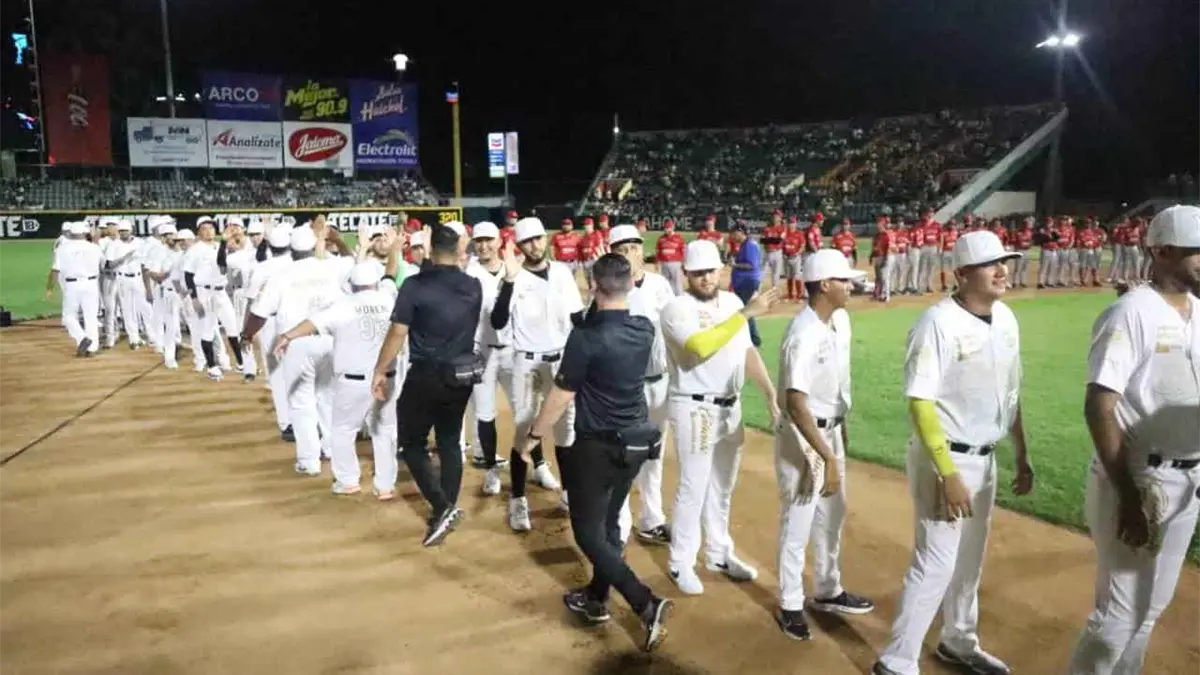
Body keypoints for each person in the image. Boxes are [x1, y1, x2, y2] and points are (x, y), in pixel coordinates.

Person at [873, 230, 1035, 675]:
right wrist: (947, 472)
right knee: (936, 561)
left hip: (987, 457)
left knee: (969, 560)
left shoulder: (1006, 319)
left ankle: (958, 641)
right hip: (945, 458)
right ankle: (896, 662)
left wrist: (1021, 452)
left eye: (1004, 262)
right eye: (991, 264)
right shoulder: (937, 324)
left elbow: (1011, 393)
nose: (1002, 270)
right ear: (962, 274)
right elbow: (921, 402)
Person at [1067, 204, 1200, 675]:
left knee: (1151, 608)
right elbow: (1099, 406)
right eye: (1197, 251)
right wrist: (1127, 496)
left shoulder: (1198, 311)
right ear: (1162, 252)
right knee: (1118, 618)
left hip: (1188, 480)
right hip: (1140, 479)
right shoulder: (1129, 314)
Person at [519, 252, 673, 652]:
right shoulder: (643, 329)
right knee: (608, 524)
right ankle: (595, 597)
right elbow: (605, 317)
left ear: (592, 286)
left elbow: (561, 395)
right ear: (630, 284)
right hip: (637, 442)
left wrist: (534, 435)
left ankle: (644, 602)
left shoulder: (585, 338)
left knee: (588, 534)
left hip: (599, 446)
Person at [660, 240, 780, 595]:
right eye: (698, 273)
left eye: (711, 271)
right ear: (686, 274)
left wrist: (770, 393)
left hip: (731, 405)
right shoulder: (675, 309)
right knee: (693, 485)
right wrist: (746, 314)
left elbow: (746, 351)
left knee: (723, 486)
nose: (706, 278)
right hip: (694, 406)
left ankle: (718, 553)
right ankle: (680, 562)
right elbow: (700, 346)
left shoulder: (731, 302)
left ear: (721, 270)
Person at [774, 250, 875, 641]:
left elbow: (833, 382)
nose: (851, 286)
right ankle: (790, 604)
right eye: (844, 280)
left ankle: (828, 589)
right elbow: (795, 402)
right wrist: (826, 456)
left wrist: (840, 423)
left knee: (833, 514)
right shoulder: (802, 334)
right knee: (799, 519)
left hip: (829, 429)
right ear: (825, 285)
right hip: (803, 435)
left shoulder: (840, 321)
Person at [371, 224, 483, 547]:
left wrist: (381, 369)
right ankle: (444, 508)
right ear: (458, 250)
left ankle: (442, 506)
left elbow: (398, 332)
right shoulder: (473, 286)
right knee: (449, 441)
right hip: (462, 375)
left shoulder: (415, 286)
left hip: (426, 374)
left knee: (412, 441)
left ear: (431, 250)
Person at [274, 259, 402, 501]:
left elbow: (312, 323)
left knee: (343, 430)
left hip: (353, 382)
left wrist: (288, 336)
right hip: (387, 378)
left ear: (352, 285)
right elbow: (391, 277)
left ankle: (347, 481)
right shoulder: (389, 299)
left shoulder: (344, 305)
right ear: (376, 283)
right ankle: (385, 486)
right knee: (384, 431)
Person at [489, 217, 579, 531]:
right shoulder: (513, 276)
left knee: (566, 432)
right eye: (527, 241)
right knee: (525, 429)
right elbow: (498, 321)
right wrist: (509, 281)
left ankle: (568, 493)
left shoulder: (563, 273)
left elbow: (576, 317)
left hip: (561, 360)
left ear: (546, 238)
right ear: (519, 245)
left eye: (538, 238)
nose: (535, 245)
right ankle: (518, 499)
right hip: (526, 363)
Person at [606, 224, 675, 545]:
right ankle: (619, 522)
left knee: (654, 453)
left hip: (661, 381)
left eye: (634, 247)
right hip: (626, 387)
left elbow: (675, 329)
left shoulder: (660, 284)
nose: (630, 254)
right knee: (623, 454)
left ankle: (651, 518)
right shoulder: (610, 291)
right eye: (622, 250)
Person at [464, 222, 513, 493]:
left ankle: (539, 464)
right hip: (481, 350)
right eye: (479, 240)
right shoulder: (468, 272)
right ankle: (491, 469)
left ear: (499, 241)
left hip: (514, 350)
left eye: (488, 240)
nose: (483, 245)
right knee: (485, 413)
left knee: (525, 411)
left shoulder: (512, 268)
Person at [46, 221, 103, 356]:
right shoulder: (95, 247)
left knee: (68, 317)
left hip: (72, 285)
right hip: (91, 284)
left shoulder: (62, 248)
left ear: (71, 233)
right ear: (85, 233)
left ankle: (82, 338)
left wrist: (49, 288)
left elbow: (55, 270)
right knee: (91, 316)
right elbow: (102, 264)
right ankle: (92, 348)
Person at [727, 224, 763, 347]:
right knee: (743, 309)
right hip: (743, 282)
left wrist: (735, 265)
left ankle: (754, 339)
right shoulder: (745, 244)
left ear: (741, 232)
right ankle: (751, 337)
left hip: (747, 282)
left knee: (746, 310)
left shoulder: (750, 245)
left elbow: (751, 265)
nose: (732, 236)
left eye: (734, 233)